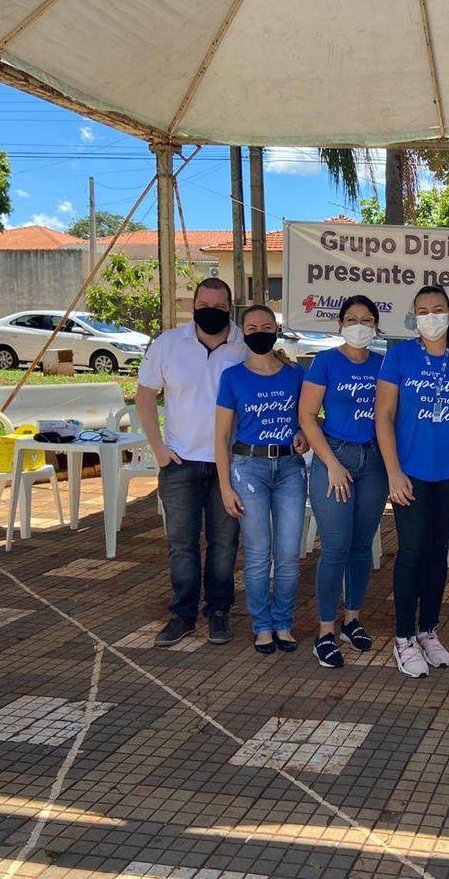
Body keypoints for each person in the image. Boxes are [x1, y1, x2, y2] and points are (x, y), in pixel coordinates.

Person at [376, 285, 449, 678]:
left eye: (438, 309)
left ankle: (428, 630)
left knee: (438, 551)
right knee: (412, 550)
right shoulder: (399, 356)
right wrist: (393, 471)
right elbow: (384, 416)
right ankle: (403, 637)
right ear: (414, 316)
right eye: (423, 311)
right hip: (410, 472)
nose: (431, 317)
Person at [137, 278, 247, 648]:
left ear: (230, 308)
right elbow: (145, 396)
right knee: (181, 543)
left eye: (219, 307)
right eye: (204, 305)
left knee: (224, 543)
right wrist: (158, 447)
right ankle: (183, 614)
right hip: (179, 462)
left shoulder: (244, 345)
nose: (210, 312)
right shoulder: (168, 344)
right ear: (193, 305)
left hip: (228, 464)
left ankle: (218, 611)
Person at [298, 295, 388, 668]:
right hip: (335, 457)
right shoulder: (325, 362)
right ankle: (325, 632)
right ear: (340, 325)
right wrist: (331, 463)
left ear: (376, 326)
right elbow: (307, 415)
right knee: (335, 547)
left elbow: (391, 415)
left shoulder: (383, 364)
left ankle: (352, 620)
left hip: (374, 461)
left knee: (361, 546)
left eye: (366, 320)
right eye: (351, 319)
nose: (359, 326)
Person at [214, 305, 308, 654]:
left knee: (288, 553)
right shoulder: (232, 377)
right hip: (248, 467)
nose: (259, 333)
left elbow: (308, 418)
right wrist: (225, 486)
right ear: (243, 332)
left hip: (289, 468)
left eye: (266, 326)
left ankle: (283, 622)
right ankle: (262, 625)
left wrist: (304, 432)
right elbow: (221, 435)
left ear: (276, 330)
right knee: (257, 553)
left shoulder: (295, 374)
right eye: (252, 327)